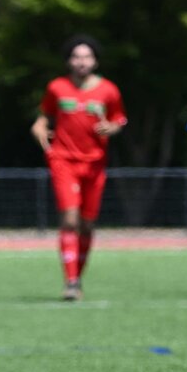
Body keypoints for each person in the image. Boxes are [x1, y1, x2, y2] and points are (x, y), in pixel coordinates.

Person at [30, 35, 127, 301]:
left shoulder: (108, 90)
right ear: (69, 61)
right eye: (76, 57)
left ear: (95, 61)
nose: (81, 61)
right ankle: (71, 282)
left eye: (86, 57)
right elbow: (43, 118)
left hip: (95, 164)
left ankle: (77, 277)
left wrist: (112, 128)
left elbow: (119, 120)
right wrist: (39, 128)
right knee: (70, 219)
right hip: (63, 160)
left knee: (87, 224)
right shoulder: (57, 88)